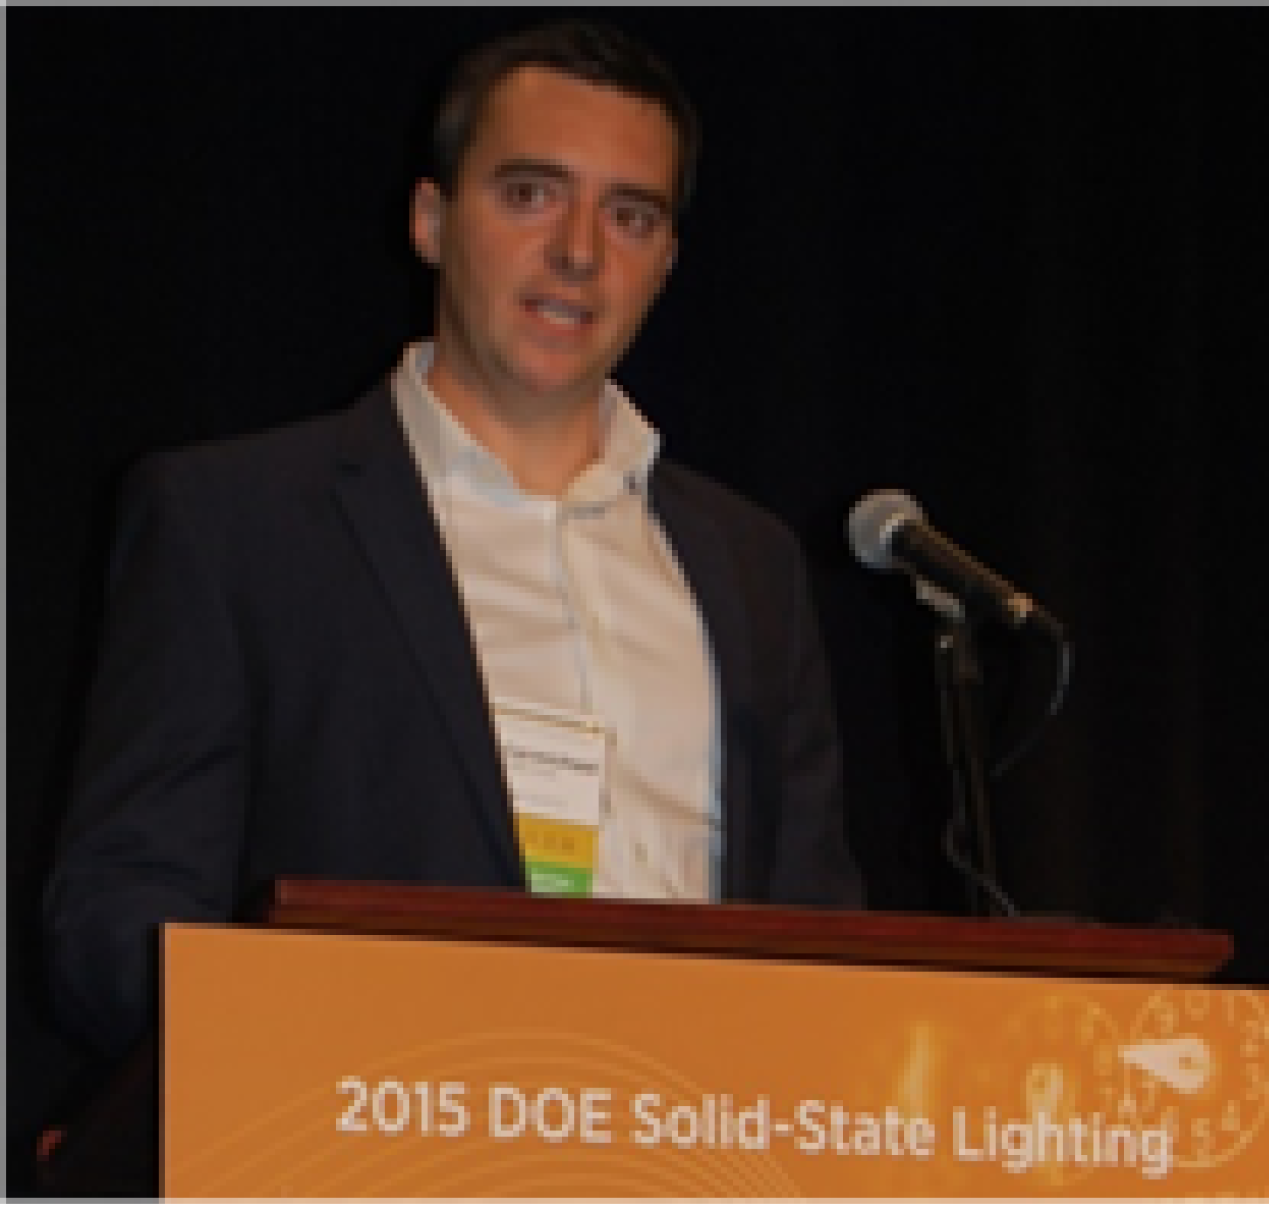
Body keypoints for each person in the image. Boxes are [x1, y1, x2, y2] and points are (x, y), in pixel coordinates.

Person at [44, 19, 862, 1063]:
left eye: (629, 214)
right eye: (530, 193)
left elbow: (817, 929)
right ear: (432, 220)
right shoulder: (237, 523)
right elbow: (118, 916)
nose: (578, 250)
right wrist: (341, 1047)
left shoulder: (750, 566)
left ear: (664, 261)